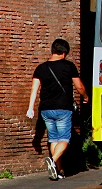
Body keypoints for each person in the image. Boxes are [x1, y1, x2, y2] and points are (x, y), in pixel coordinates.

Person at [26, 38, 88, 180]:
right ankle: (53, 160)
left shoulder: (41, 68)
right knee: (64, 139)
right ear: (64, 53)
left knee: (53, 139)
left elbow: (34, 89)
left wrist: (31, 108)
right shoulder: (69, 66)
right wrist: (85, 97)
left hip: (46, 110)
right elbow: (79, 87)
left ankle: (59, 171)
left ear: (52, 50)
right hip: (63, 109)